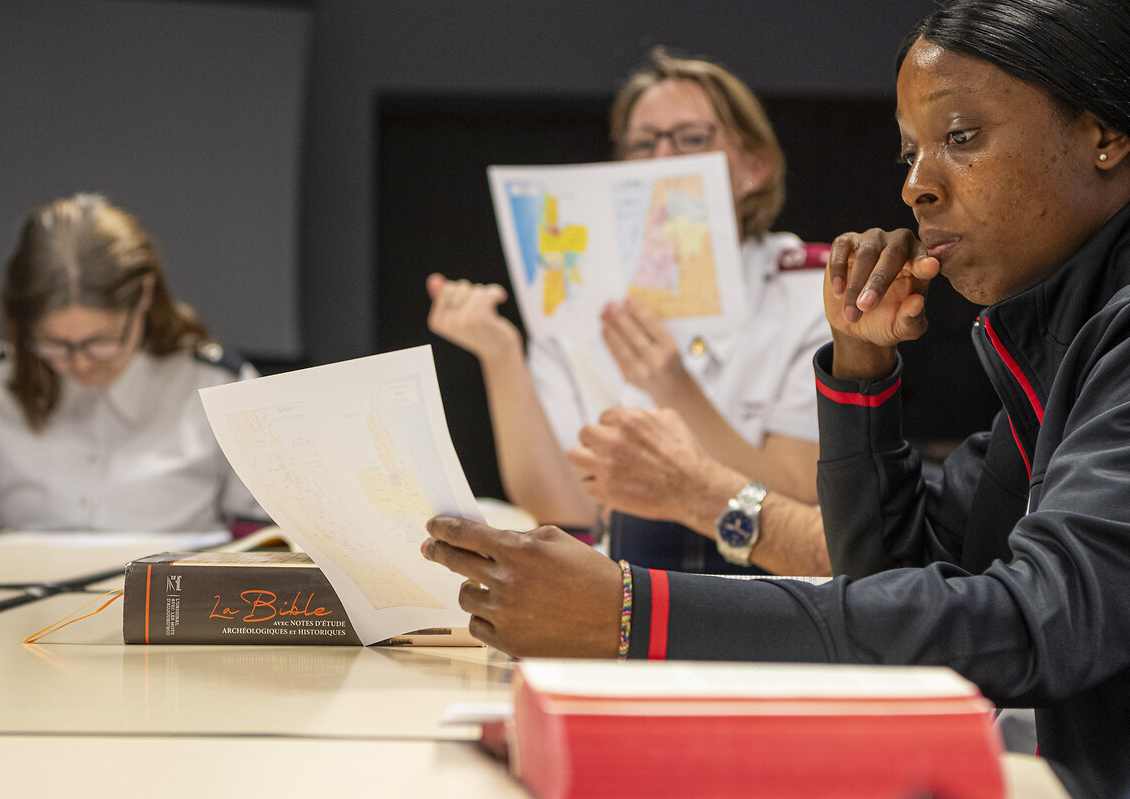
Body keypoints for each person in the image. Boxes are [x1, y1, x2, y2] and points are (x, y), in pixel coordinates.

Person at [422, 0, 1130, 795]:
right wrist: (859, 364)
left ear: (1104, 133)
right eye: (910, 153)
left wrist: (633, 611)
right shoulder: (1048, 347)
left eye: (959, 138)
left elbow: (1032, 621)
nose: (916, 188)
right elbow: (889, 572)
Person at [427, 48, 831, 576]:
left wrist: (672, 387)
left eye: (691, 139)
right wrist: (500, 353)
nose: (663, 163)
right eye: (643, 144)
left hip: (757, 584)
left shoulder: (808, 295)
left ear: (753, 168)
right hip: (621, 583)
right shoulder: (575, 297)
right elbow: (569, 509)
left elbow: (795, 498)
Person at [0, 193, 264, 533]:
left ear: (144, 297)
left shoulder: (219, 387)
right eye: (55, 344)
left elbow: (263, 539)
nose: (81, 364)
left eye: (101, 341)